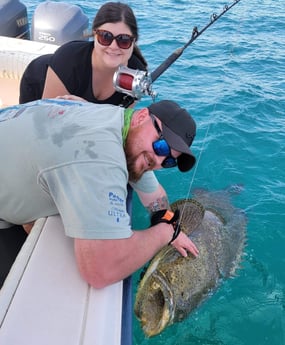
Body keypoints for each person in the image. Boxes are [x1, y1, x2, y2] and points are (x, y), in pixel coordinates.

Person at [0, 99, 199, 289]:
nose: (158, 160)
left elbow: (155, 196)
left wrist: (167, 220)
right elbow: (100, 270)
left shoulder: (118, 123)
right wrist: (164, 233)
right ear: (142, 116)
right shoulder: (98, 154)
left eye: (169, 162)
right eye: (161, 146)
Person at [19, 2, 147, 107]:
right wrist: (88, 112)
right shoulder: (68, 59)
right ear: (94, 35)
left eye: (123, 40)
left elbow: (120, 123)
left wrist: (87, 110)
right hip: (39, 83)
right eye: (105, 37)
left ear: (134, 40)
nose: (113, 46)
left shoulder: (137, 76)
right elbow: (50, 118)